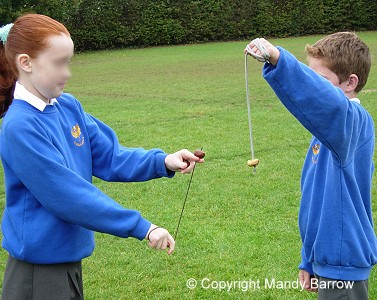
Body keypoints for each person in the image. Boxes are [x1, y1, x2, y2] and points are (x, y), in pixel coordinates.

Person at [0, 14, 204, 300]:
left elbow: (110, 157)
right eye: (59, 63)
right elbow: (67, 194)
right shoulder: (19, 126)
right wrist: (142, 227)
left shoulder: (68, 106)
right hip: (38, 274)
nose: (67, 72)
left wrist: (163, 161)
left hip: (68, 261)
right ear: (26, 63)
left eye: (68, 61)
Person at [245, 33, 377, 299]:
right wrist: (309, 258)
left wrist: (280, 60)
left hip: (344, 266)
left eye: (322, 81)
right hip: (328, 261)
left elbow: (327, 103)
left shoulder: (353, 123)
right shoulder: (326, 133)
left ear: (351, 82)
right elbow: (318, 205)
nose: (315, 85)